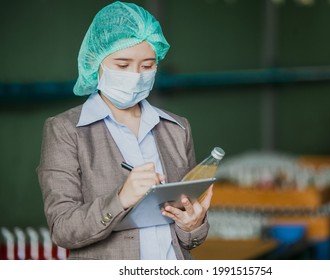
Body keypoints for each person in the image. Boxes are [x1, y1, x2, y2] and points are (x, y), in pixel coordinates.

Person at [37, 1, 213, 260]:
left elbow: (187, 237)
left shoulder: (176, 128)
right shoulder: (65, 130)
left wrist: (192, 225)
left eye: (147, 65)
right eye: (122, 65)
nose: (136, 76)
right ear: (94, 62)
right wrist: (120, 199)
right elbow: (63, 229)